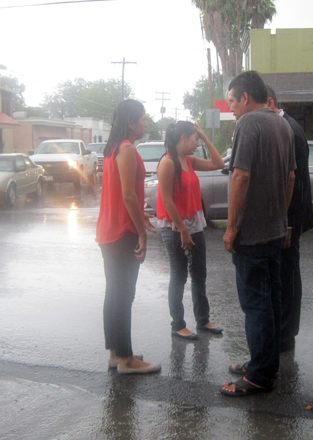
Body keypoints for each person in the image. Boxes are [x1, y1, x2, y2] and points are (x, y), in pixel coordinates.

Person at [221, 71, 296, 397]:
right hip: (275, 232)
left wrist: (232, 226)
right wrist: (281, 217)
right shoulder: (282, 123)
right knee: (271, 302)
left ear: (245, 97)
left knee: (256, 305)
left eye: (232, 101)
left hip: (252, 235)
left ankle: (259, 376)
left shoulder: (248, 124)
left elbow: (240, 176)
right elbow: (290, 177)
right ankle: (263, 363)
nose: (231, 107)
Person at [95, 100, 161, 375]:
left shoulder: (113, 148)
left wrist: (140, 216)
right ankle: (127, 360)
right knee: (123, 294)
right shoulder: (127, 149)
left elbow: (122, 193)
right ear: (132, 123)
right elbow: (128, 195)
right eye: (143, 119)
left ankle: (116, 353)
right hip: (123, 231)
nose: (146, 123)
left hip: (109, 229)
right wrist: (142, 233)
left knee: (115, 292)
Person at [156, 121, 225, 340]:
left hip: (194, 223)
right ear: (183, 138)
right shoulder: (168, 163)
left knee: (199, 274)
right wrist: (183, 230)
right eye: (195, 139)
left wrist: (204, 137)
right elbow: (167, 200)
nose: (197, 144)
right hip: (175, 227)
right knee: (179, 276)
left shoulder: (189, 160)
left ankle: (203, 320)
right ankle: (178, 325)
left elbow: (218, 163)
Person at [265, 86, 313, 352]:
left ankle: (285, 335)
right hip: (286, 220)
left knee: (287, 277)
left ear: (270, 102)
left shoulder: (289, 130)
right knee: (284, 275)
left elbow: (295, 181)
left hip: (289, 221)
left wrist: (289, 223)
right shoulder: (284, 126)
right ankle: (282, 332)